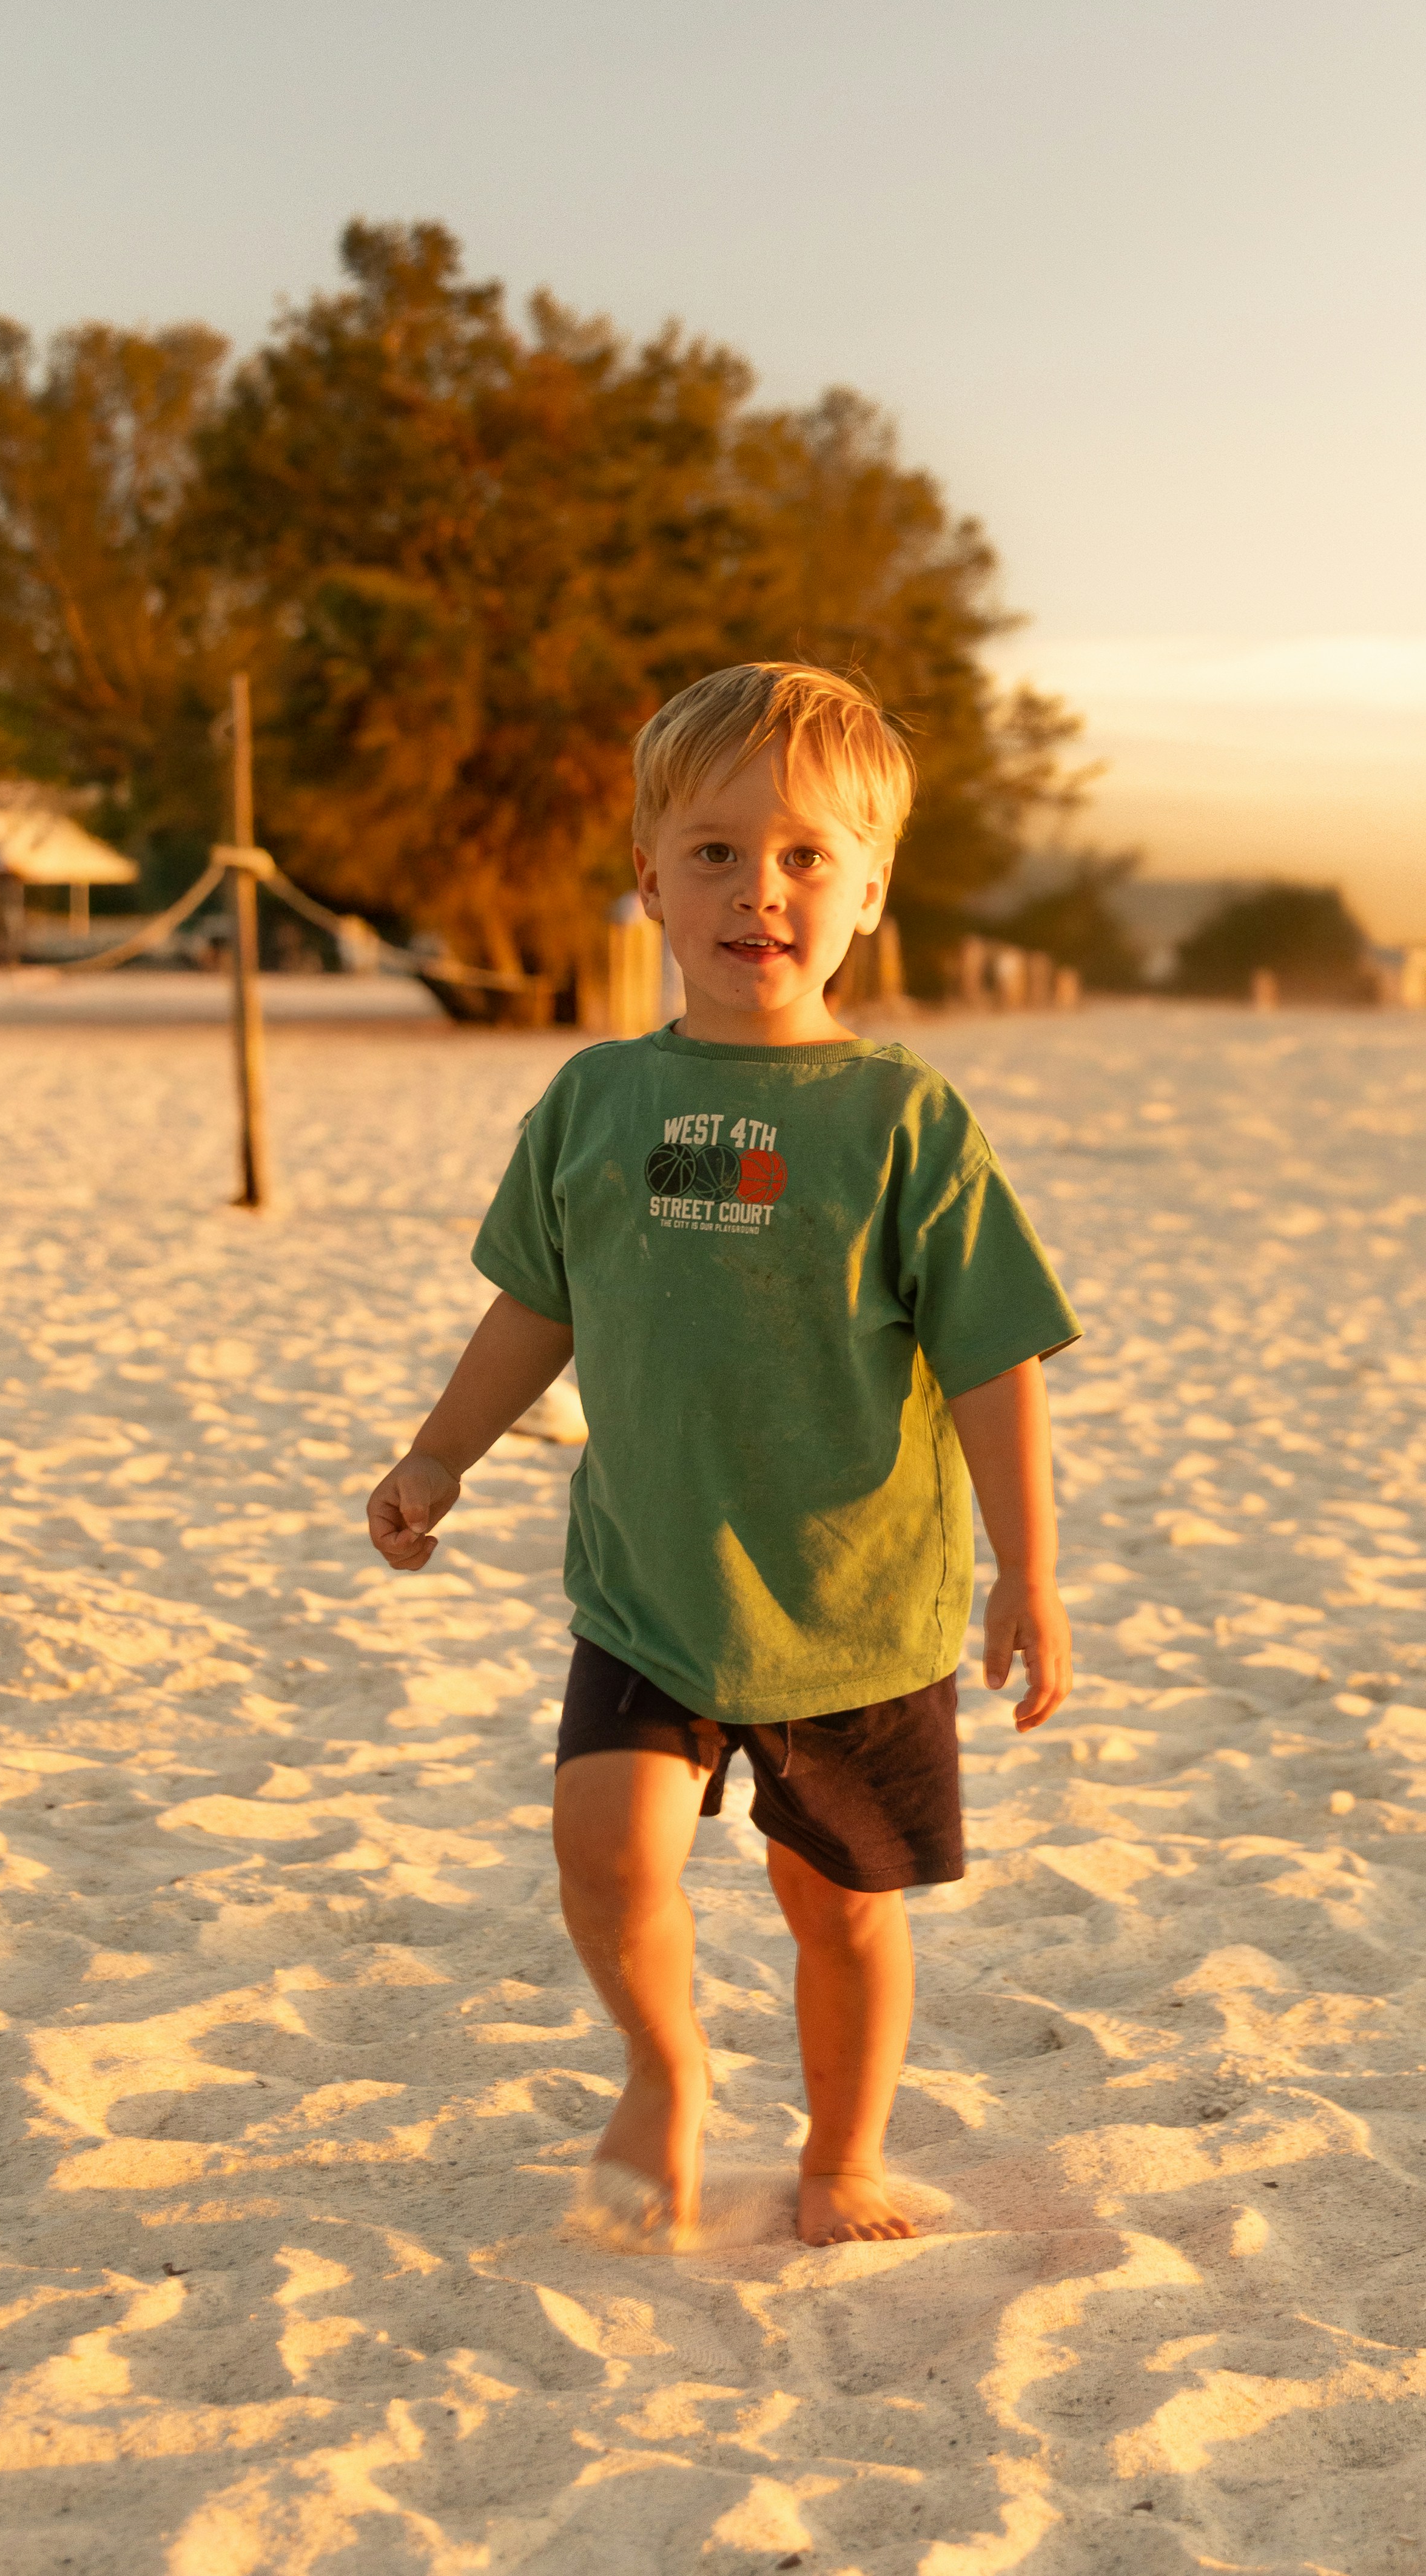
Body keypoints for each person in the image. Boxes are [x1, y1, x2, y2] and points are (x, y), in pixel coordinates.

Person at [366, 662, 1080, 2249]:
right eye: (711, 851)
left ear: (868, 892)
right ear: (648, 879)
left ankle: (840, 2152)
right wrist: (437, 1455)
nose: (757, 888)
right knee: (606, 1854)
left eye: (805, 855)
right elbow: (529, 1307)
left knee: (841, 1908)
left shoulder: (904, 1116)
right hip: (650, 1588)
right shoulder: (593, 1098)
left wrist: (1026, 1566)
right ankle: (662, 2070)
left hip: (856, 1608)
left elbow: (992, 1356)